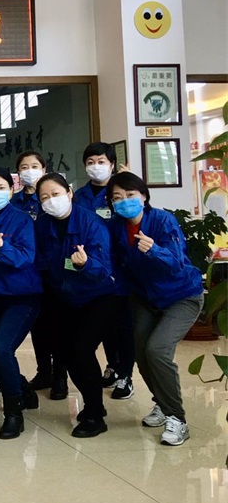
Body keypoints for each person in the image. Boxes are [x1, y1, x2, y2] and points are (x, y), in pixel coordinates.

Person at [107, 172, 204, 446]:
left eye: (130, 195)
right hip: (145, 298)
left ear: (144, 196)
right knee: (140, 352)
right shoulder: (116, 227)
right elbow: (117, 264)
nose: (124, 201)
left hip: (182, 296)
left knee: (157, 350)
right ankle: (162, 403)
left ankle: (177, 418)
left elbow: (177, 262)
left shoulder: (163, 220)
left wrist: (154, 250)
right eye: (117, 198)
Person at [35, 174, 123, 438]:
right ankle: (92, 402)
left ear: (70, 193)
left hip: (100, 295)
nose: (51, 201)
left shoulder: (91, 223)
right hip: (65, 297)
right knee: (65, 352)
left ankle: (95, 415)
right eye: (44, 197)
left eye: (55, 194)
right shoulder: (43, 224)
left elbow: (104, 270)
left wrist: (85, 264)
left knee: (81, 349)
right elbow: (42, 261)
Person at [0, 167, 42, 439]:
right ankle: (22, 387)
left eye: (1, 188)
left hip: (21, 296)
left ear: (12, 190)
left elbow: (26, 257)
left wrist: (3, 249)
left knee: (0, 348)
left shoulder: (21, 220)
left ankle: (13, 412)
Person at [75, 142, 135, 396]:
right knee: (103, 327)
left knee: (122, 326)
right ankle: (112, 366)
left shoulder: (121, 193)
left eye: (101, 162)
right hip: (89, 269)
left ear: (112, 165)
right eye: (90, 162)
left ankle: (126, 375)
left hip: (119, 270)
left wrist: (129, 185)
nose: (96, 166)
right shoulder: (79, 196)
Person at [12, 152, 67, 399]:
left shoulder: (53, 199)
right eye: (24, 167)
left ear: (44, 169)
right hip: (29, 274)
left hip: (55, 272)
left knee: (59, 326)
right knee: (39, 327)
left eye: (34, 166)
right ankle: (44, 371)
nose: (29, 171)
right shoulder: (14, 202)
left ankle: (60, 377)